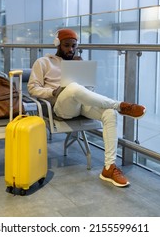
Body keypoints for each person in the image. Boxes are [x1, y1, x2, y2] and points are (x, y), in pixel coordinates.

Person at [27, 28, 146, 187]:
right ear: (58, 45)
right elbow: (32, 88)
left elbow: (89, 90)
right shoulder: (43, 62)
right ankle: (120, 105)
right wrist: (53, 91)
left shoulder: (78, 62)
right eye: (66, 45)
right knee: (73, 87)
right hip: (61, 108)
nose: (70, 49)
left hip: (81, 104)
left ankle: (109, 168)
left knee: (109, 114)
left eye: (73, 46)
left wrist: (81, 71)